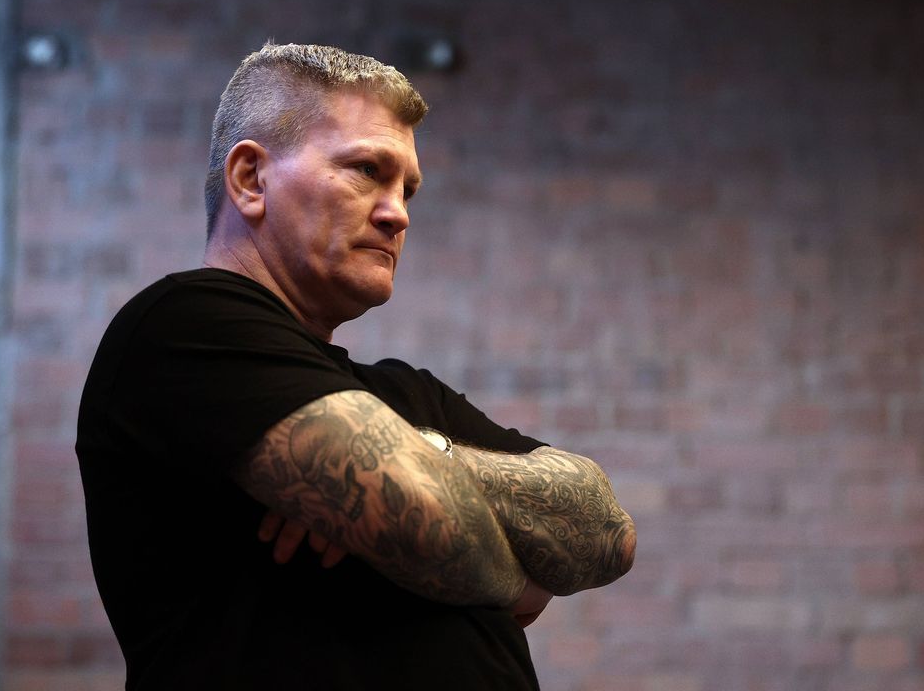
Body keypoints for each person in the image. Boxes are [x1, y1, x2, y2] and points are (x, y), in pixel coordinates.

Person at [76, 43, 636, 690]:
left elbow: (605, 532)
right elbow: (424, 514)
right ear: (251, 179)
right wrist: (516, 579)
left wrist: (421, 454)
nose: (398, 213)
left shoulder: (412, 396)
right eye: (367, 170)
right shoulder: (182, 327)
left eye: (408, 189)